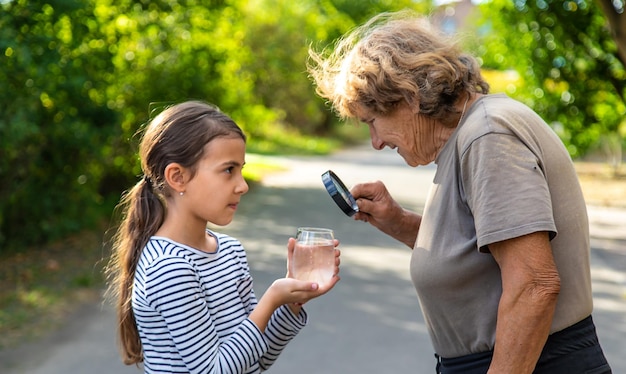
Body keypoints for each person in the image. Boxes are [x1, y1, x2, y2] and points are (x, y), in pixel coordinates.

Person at [307, 10, 611, 374]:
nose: (375, 143)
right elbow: (477, 252)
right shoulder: (472, 135)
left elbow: (534, 285)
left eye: (372, 122)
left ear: (408, 98)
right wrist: (399, 222)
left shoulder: (487, 137)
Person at [105, 100, 340, 373]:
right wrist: (271, 299)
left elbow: (257, 357)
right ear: (177, 177)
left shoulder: (229, 251)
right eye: (229, 170)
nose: (243, 185)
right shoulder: (169, 268)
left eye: (241, 169)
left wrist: (292, 301)